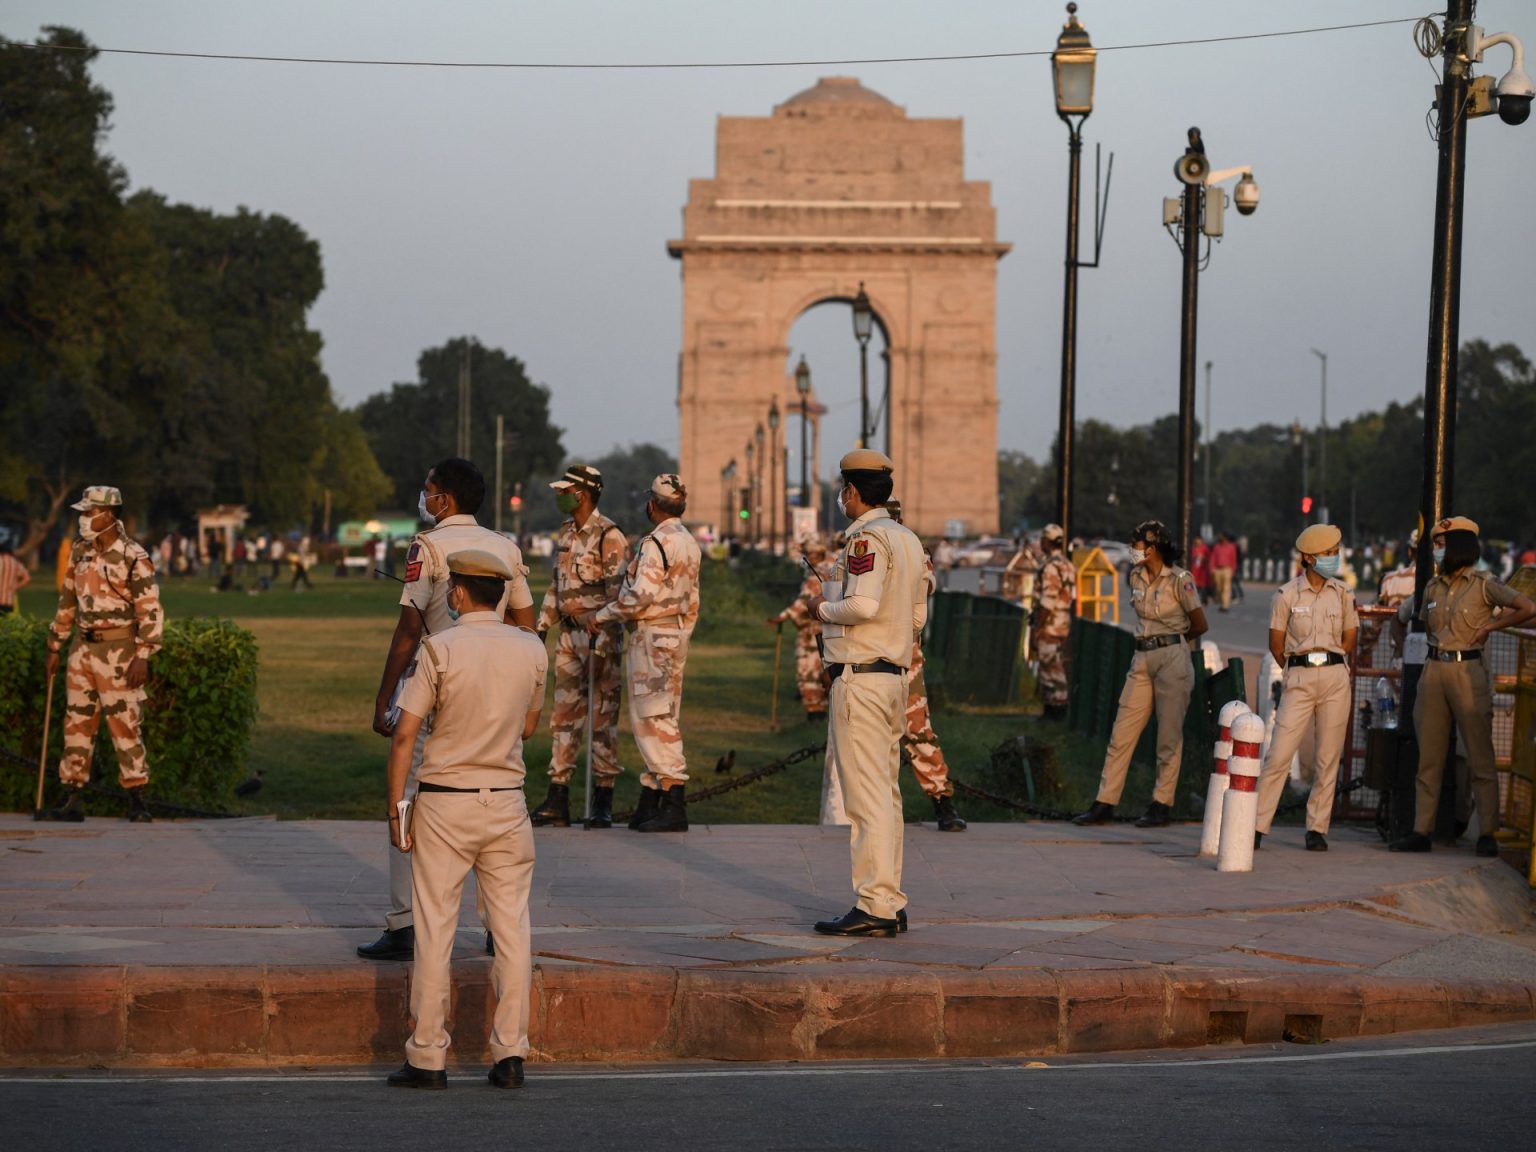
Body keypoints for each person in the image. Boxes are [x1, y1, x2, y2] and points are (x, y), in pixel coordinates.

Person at [383, 548, 547, 1090]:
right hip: (506, 801)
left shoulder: (440, 648)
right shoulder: (531, 649)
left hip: (444, 802)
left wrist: (396, 808)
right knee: (512, 930)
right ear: (499, 592)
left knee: (435, 930)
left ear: (456, 593)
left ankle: (428, 1056)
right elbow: (527, 729)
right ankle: (510, 1055)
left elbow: (405, 733)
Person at [360, 458, 535, 962]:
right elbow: (526, 623)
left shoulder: (427, 546)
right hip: (497, 688)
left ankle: (405, 923)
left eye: (429, 489)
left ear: (446, 499)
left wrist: (383, 697)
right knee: (495, 790)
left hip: (436, 680)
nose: (425, 495)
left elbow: (409, 631)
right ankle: (497, 925)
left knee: (410, 796)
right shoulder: (505, 545)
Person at [807, 450, 927, 937]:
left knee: (865, 799)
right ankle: (890, 898)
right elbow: (917, 618)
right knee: (887, 796)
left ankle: (874, 905)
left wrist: (822, 608)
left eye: (843, 489)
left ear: (852, 492)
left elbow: (861, 603)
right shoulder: (909, 540)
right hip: (894, 675)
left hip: (861, 679)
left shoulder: (866, 538)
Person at [1390, 516, 1536, 856]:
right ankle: (1421, 831)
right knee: (1429, 758)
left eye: (1442, 544)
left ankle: (1487, 832)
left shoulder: (1484, 584)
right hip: (1434, 670)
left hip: (1469, 671)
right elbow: (1407, 621)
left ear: (1458, 546)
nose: (1437, 551)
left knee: (1479, 757)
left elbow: (1528, 607)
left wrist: (1493, 627)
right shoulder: (1431, 587)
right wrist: (1400, 650)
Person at [40, 486, 163, 823]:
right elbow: (67, 601)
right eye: (82, 512)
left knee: (124, 724)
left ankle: (137, 799)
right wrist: (54, 645)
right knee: (76, 723)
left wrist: (144, 655)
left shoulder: (133, 555)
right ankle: (72, 797)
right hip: (82, 647)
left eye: (89, 512)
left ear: (109, 514)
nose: (83, 519)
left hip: (119, 650)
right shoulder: (79, 552)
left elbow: (149, 608)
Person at [1073, 520, 1208, 828]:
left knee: (1168, 737)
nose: (1131, 549)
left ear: (1152, 547)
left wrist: (1173, 645)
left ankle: (1162, 804)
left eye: (1135, 544)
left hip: (1172, 657)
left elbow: (1199, 624)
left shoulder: (1179, 580)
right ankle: (1105, 802)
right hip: (1141, 657)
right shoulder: (1134, 575)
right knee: (1122, 733)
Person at [590, 474, 702, 833]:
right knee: (664, 712)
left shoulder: (656, 543)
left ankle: (672, 795)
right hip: (675, 632)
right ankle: (651, 797)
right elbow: (694, 599)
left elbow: (641, 595)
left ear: (652, 505)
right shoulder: (688, 541)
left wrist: (603, 615)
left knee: (652, 718)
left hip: (652, 635)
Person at [529, 464, 628, 828]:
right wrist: (539, 628)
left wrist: (602, 648)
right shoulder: (566, 533)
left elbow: (619, 598)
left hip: (599, 638)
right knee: (564, 717)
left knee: (602, 718)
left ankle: (602, 798)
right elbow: (558, 588)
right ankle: (558, 796)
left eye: (564, 490)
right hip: (569, 638)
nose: (559, 496)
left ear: (582, 494)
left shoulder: (610, 536)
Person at [1253, 524, 1358, 852]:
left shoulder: (1343, 594)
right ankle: (1256, 824)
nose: (1335, 558)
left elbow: (1349, 637)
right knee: (1279, 753)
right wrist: (1294, 668)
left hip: (1334, 677)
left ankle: (1316, 828)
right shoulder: (1286, 595)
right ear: (1309, 558)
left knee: (1328, 756)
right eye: (1329, 553)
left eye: (1336, 552)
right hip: (1298, 677)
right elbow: (1276, 642)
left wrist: (1329, 661)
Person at [885, 501, 966, 832]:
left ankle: (941, 801)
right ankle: (874, 813)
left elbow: (926, 585)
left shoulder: (913, 551)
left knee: (917, 729)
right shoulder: (854, 549)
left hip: (904, 655)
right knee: (865, 737)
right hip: (861, 657)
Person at [769, 537, 833, 724]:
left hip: (813, 633)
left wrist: (783, 616)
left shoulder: (816, 576)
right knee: (820, 670)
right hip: (826, 630)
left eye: (812, 554)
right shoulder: (830, 570)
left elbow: (803, 603)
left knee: (808, 672)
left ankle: (815, 710)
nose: (809, 558)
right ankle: (819, 709)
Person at [1033, 523, 1077, 722]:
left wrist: (1037, 627)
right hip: (1063, 622)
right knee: (1055, 665)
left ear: (1047, 541)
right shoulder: (1067, 564)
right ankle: (1054, 711)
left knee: (1051, 669)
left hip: (1050, 624)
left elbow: (1047, 601)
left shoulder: (1050, 566)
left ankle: (1055, 712)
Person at [1210, 531, 1238, 612]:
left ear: (1225, 537)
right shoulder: (1216, 547)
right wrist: (1212, 569)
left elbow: (1234, 559)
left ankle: (1225, 606)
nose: (1219, 537)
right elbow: (1213, 558)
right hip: (1217, 570)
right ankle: (1222, 602)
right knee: (1219, 588)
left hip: (1227, 569)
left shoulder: (1232, 547)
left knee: (1226, 588)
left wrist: (1233, 570)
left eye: (1221, 536)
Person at [0, 540, 31, 614]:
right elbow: (27, 578)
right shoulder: (15, 562)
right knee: (6, 623)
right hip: (8, 601)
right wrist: (15, 587)